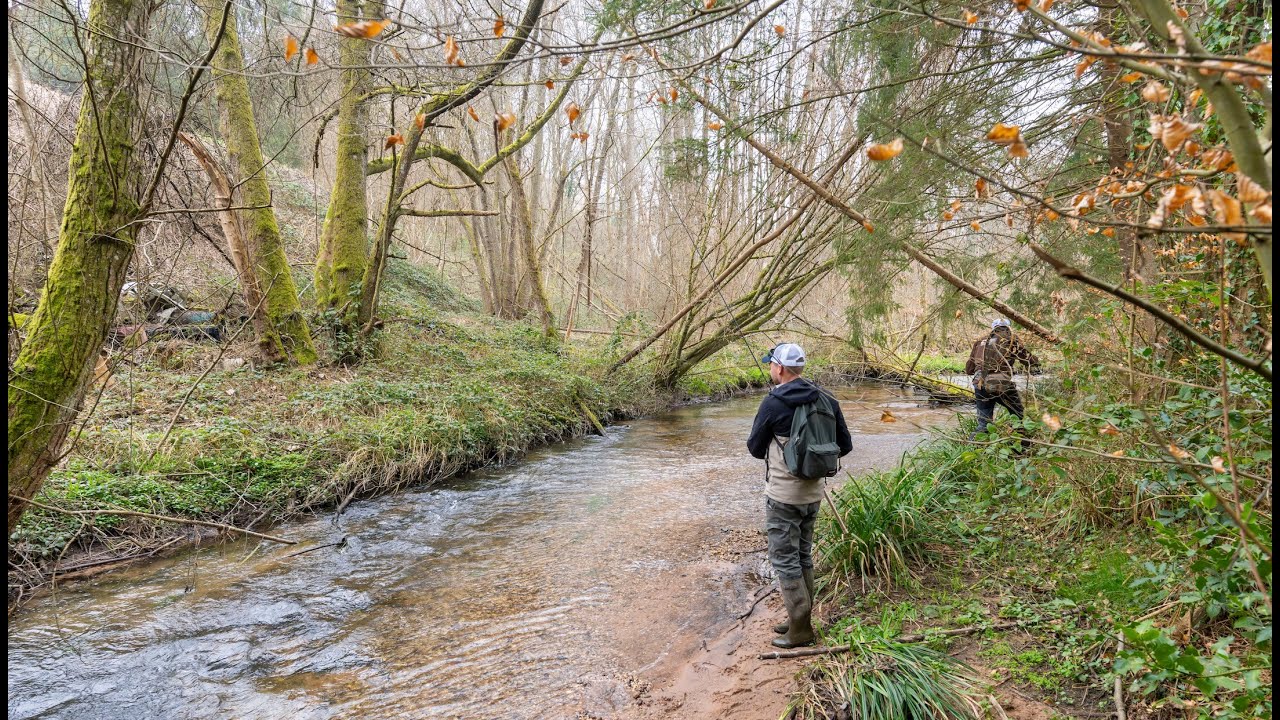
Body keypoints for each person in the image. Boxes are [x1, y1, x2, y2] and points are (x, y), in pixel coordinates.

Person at [747, 342, 853, 649]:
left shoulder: (773, 403)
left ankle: (801, 628)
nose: (770, 369)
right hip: (814, 493)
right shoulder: (826, 398)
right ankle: (800, 619)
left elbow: (754, 448)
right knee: (803, 554)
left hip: (783, 495)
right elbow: (845, 445)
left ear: (780, 368)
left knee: (784, 559)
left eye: (771, 364)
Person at [965, 319, 1040, 443]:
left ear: (993, 328)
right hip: (1001, 384)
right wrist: (1036, 362)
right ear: (1008, 328)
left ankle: (972, 446)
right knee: (1018, 414)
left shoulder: (980, 341)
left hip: (980, 383)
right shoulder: (1011, 340)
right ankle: (1021, 444)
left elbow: (969, 369)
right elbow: (1029, 360)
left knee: (984, 423)